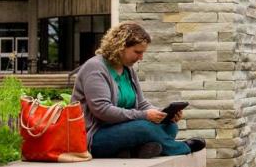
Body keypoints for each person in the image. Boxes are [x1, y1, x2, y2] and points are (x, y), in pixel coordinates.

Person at [72, 22, 205, 158]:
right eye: (137, 52)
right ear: (120, 47)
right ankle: (181, 147)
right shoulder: (95, 68)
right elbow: (102, 110)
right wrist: (145, 115)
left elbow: (141, 104)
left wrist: (162, 114)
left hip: (122, 129)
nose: (140, 58)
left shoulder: (127, 69)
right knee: (144, 128)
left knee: (170, 126)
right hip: (95, 136)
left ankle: (131, 151)